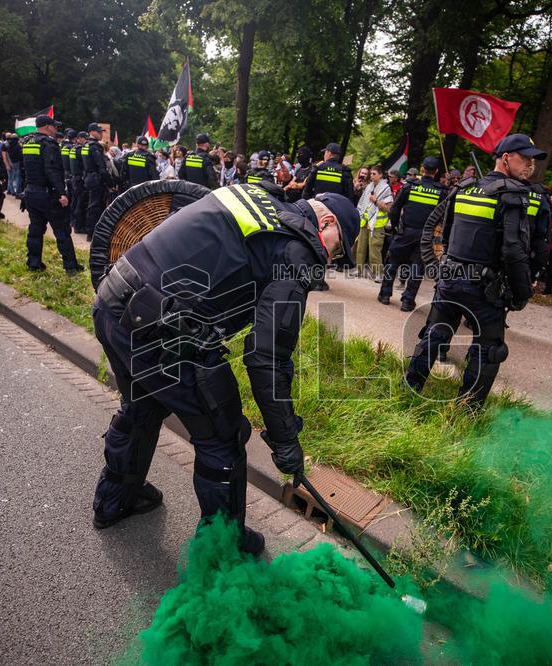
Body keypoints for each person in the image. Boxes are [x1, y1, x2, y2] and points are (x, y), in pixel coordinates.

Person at [89, 185, 360, 555]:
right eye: (337, 247)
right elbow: (267, 357)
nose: (330, 258)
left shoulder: (256, 196)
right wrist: (285, 443)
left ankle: (114, 500)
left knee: (143, 405)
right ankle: (223, 549)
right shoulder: (297, 248)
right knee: (223, 436)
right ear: (326, 221)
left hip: (112, 303)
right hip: (160, 333)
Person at [403, 134, 543, 409]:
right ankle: (466, 412)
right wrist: (521, 292)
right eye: (524, 158)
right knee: (489, 350)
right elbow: (514, 252)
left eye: (532, 160)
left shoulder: (464, 187)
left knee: (434, 334)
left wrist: (440, 269)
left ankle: (410, 389)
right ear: (506, 159)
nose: (530, 165)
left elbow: (442, 232)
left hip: (451, 280)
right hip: (484, 289)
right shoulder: (512, 196)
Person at [377, 156, 447, 311]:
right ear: (436, 172)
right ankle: (408, 302)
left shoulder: (410, 186)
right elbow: (445, 217)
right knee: (417, 268)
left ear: (422, 169)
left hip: (406, 231)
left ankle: (385, 295)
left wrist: (395, 227)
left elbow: (395, 209)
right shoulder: (442, 192)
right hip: (425, 237)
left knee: (392, 263)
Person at [21, 116, 83, 275]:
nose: (56, 129)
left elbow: (27, 169)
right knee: (62, 231)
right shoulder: (49, 144)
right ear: (48, 127)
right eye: (54, 126)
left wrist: (25, 190)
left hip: (31, 192)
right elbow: (52, 170)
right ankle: (71, 267)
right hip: (47, 194)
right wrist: (62, 193)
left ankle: (33, 263)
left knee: (35, 229)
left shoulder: (28, 142)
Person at [354, 164, 393, 279]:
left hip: (377, 224)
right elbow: (362, 203)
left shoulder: (386, 188)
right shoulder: (369, 186)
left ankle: (378, 274)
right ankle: (359, 269)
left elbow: (388, 208)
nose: (371, 176)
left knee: (374, 250)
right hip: (365, 221)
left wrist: (376, 201)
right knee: (360, 248)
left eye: (374, 174)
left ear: (380, 175)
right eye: (371, 173)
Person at [82, 123, 110, 241]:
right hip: (95, 179)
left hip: (88, 177)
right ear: (92, 132)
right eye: (99, 131)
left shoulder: (86, 145)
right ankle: (92, 234)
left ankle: (91, 232)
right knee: (95, 207)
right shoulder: (95, 147)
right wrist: (110, 183)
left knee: (91, 205)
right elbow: (102, 168)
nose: (101, 134)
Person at [70, 131, 88, 234]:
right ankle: (78, 226)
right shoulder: (80, 150)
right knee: (80, 203)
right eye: (85, 139)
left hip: (74, 177)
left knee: (75, 201)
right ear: (79, 139)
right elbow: (85, 165)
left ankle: (73, 222)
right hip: (79, 178)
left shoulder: (73, 149)